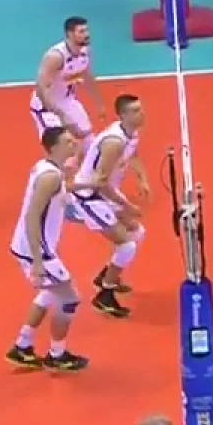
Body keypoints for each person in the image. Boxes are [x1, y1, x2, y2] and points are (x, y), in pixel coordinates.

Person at [6, 127, 91, 371]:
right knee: (69, 298)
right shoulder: (50, 178)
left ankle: (22, 346)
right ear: (54, 147)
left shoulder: (48, 169)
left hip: (31, 246)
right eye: (68, 141)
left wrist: (89, 184)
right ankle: (57, 354)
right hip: (37, 250)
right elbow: (32, 216)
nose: (74, 143)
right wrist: (37, 261)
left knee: (50, 293)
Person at [75, 95, 153, 318]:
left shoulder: (132, 133)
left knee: (138, 233)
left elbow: (133, 155)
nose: (142, 114)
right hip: (90, 197)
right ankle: (105, 295)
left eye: (141, 109)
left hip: (106, 193)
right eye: (136, 111)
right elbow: (100, 183)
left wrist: (142, 179)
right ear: (123, 115)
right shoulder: (114, 142)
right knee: (127, 245)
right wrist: (127, 205)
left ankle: (106, 276)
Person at [32, 16, 106, 138]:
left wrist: (99, 103)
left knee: (88, 138)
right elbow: (41, 88)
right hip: (47, 106)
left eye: (87, 30)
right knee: (60, 144)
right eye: (82, 31)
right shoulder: (56, 57)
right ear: (70, 34)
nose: (87, 35)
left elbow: (87, 77)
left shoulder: (85, 52)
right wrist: (60, 115)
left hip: (68, 101)